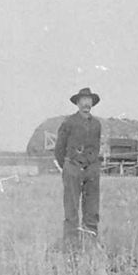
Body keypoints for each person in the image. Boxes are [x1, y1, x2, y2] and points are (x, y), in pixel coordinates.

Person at [54, 87, 103, 241]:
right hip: (73, 168)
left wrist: (91, 165)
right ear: (78, 103)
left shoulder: (96, 124)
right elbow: (59, 149)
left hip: (91, 170)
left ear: (92, 103)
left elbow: (96, 147)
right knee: (71, 209)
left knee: (92, 209)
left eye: (89, 101)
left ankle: (90, 243)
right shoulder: (68, 122)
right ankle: (71, 244)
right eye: (83, 100)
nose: (86, 104)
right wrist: (69, 167)